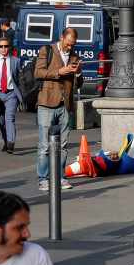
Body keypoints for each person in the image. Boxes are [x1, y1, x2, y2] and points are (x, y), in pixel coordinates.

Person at [34, 27, 81, 193]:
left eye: (73, 45)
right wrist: (59, 72)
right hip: (47, 102)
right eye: (68, 44)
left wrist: (78, 74)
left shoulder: (75, 55)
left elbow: (78, 83)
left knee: (64, 144)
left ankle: (60, 176)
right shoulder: (47, 50)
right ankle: (43, 179)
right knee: (45, 145)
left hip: (66, 103)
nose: (70, 47)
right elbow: (38, 72)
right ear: (62, 38)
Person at [0, 38, 22, 154]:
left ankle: (11, 143)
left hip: (11, 94)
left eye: (6, 46)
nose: (4, 49)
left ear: (9, 47)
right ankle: (6, 141)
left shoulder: (16, 61)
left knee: (9, 118)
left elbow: (18, 79)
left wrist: (20, 95)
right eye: (1, 46)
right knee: (2, 121)